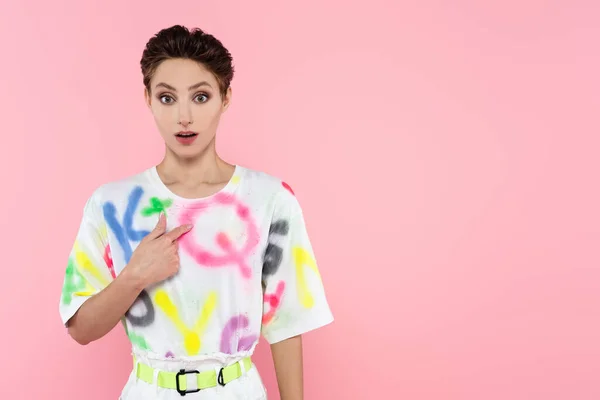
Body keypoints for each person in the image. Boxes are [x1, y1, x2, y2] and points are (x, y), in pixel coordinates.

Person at [58, 25, 334, 400]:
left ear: (226, 98)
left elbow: (287, 325)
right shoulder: (112, 204)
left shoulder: (269, 198)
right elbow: (81, 329)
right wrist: (135, 275)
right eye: (167, 98)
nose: (184, 117)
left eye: (201, 97)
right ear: (148, 99)